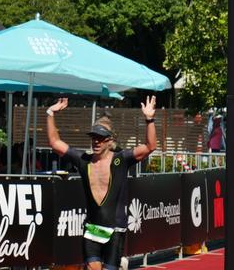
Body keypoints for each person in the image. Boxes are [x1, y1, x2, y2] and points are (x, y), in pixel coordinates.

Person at [46, 95, 157, 270]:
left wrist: (149, 119)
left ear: (110, 140)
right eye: (93, 137)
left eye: (100, 137)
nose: (96, 141)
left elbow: (150, 146)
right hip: (92, 228)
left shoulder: (121, 160)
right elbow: (55, 143)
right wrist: (50, 112)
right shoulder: (83, 160)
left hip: (116, 228)